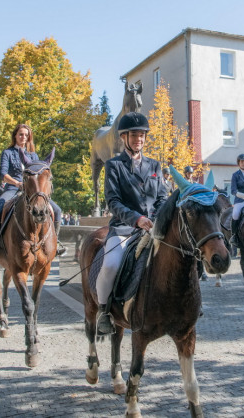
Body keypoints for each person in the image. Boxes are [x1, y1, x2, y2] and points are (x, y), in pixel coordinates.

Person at [95, 112, 167, 335]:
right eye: (134, 135)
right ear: (124, 138)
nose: (139, 139)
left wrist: (156, 218)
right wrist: (137, 219)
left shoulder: (155, 165)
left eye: (142, 135)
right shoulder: (114, 165)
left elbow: (162, 198)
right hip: (125, 227)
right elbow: (113, 201)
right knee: (110, 265)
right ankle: (104, 310)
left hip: (154, 227)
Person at [0, 123, 66, 260]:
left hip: (32, 192)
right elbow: (3, 174)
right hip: (13, 189)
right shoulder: (7, 153)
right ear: (15, 136)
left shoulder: (33, 155)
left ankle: (56, 244)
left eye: (26, 135)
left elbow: (38, 176)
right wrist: (17, 183)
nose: (23, 137)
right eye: (21, 134)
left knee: (57, 210)